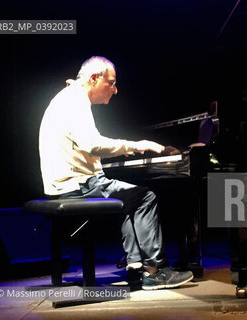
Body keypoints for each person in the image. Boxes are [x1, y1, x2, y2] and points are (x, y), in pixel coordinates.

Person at [39, 56, 193, 290]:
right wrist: (136, 145)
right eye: (111, 82)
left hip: (65, 181)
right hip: (76, 184)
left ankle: (135, 265)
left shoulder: (65, 99)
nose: (115, 89)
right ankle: (155, 270)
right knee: (145, 197)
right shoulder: (75, 101)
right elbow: (93, 145)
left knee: (126, 197)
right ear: (93, 78)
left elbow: (85, 148)